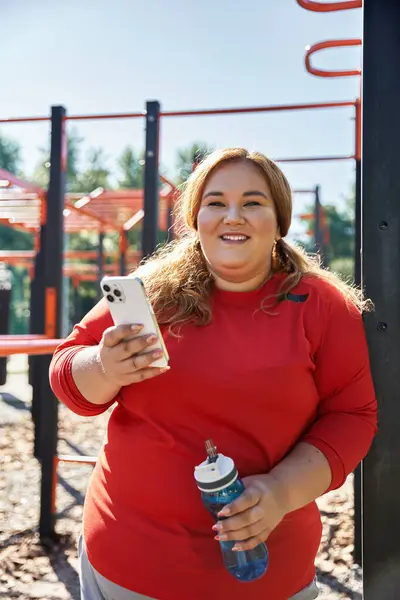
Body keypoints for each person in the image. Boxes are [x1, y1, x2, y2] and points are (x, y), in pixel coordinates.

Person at [50, 148, 377, 600]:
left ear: (280, 220)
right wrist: (104, 367)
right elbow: (68, 376)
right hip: (126, 564)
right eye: (216, 202)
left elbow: (353, 414)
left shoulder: (322, 305)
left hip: (268, 576)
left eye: (253, 202)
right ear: (196, 218)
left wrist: (280, 492)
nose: (233, 216)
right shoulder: (152, 290)